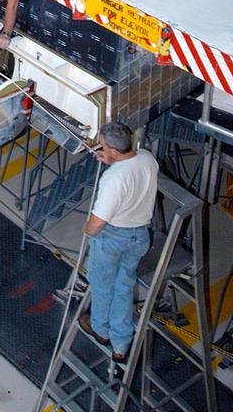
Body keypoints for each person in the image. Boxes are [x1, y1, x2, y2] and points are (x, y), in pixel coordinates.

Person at [81, 121, 158, 362]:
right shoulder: (146, 158)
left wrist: (87, 231)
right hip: (139, 236)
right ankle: (121, 344)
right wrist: (111, 160)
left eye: (103, 146)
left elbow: (97, 222)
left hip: (113, 237)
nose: (101, 148)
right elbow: (130, 170)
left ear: (114, 150)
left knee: (102, 286)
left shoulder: (113, 179)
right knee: (124, 286)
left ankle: (101, 330)